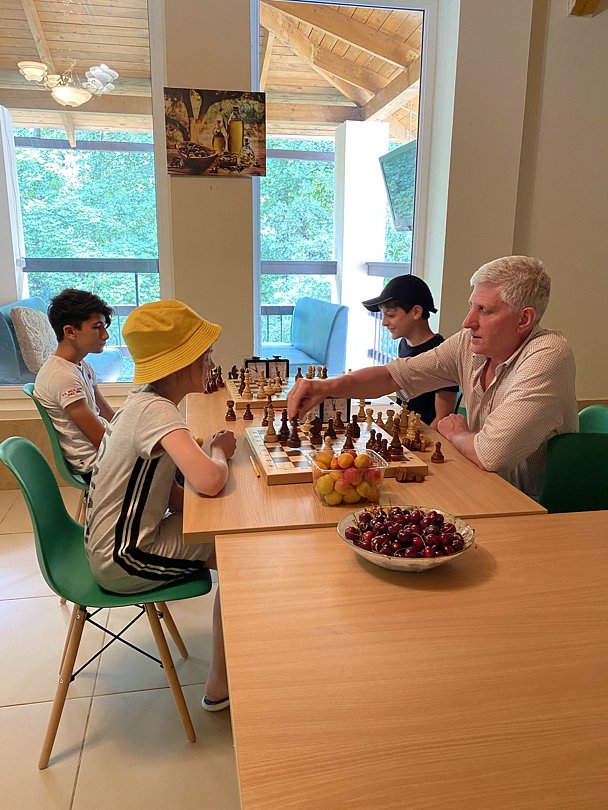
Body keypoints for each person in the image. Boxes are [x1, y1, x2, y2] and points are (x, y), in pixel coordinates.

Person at [288, 256, 578, 498]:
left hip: (533, 507)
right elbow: (392, 377)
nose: (468, 321)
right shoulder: (469, 344)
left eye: (484, 310)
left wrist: (456, 433)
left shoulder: (548, 355)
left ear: (524, 319)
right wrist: (325, 387)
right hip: (481, 484)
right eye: (472, 306)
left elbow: (490, 454)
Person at [84, 299, 236, 711]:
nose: (210, 362)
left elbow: (162, 489)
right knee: (240, 559)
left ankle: (232, 666)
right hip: (124, 558)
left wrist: (202, 509)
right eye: (205, 354)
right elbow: (209, 480)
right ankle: (221, 685)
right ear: (181, 362)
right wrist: (219, 451)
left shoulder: (141, 401)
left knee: (232, 546)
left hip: (109, 545)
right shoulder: (157, 412)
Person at [34, 289, 115, 482]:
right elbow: (98, 439)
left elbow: (106, 413)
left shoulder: (81, 365)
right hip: (95, 465)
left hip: (104, 450)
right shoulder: (61, 376)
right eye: (97, 327)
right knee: (170, 461)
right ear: (70, 332)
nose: (105, 335)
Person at [362, 275, 458, 428]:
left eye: (391, 315)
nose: (384, 322)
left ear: (416, 312)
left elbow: (443, 416)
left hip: (424, 435)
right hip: (404, 429)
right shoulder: (403, 344)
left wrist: (418, 440)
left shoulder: (441, 354)